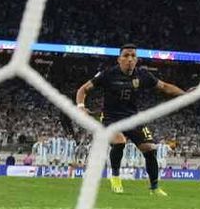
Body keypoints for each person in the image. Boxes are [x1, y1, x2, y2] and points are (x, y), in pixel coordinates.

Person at [76, 44, 187, 196]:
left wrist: (185, 94)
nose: (130, 59)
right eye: (126, 55)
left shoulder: (143, 75)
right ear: (119, 59)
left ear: (137, 59)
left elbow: (165, 87)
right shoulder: (108, 74)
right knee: (119, 141)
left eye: (133, 56)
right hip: (111, 118)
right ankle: (115, 177)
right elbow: (82, 90)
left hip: (132, 118)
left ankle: (154, 187)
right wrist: (81, 106)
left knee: (150, 149)